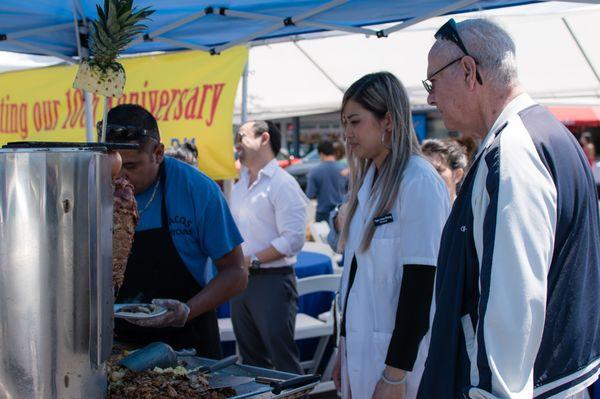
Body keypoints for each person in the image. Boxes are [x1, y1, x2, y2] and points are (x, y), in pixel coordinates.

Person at [418, 18, 600, 398]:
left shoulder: (513, 149)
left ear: (469, 71)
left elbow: (512, 305)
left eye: (432, 83)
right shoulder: (548, 135)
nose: (431, 98)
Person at [331, 72, 450, 399]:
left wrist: (395, 375)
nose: (347, 134)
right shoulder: (369, 184)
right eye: (344, 123)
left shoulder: (418, 183)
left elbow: (421, 284)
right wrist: (343, 348)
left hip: (401, 367)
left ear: (388, 121)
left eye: (355, 122)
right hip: (364, 355)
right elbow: (352, 278)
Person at [105, 104, 247, 359]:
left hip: (188, 344)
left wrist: (186, 311)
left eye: (132, 167)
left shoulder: (197, 190)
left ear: (158, 153)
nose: (120, 178)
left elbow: (236, 272)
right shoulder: (93, 186)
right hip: (117, 344)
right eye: (114, 167)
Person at [230, 120, 308, 373]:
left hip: (272, 282)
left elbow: (294, 239)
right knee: (251, 363)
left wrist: (251, 260)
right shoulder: (240, 183)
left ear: (264, 138)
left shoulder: (282, 183)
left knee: (283, 364)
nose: (236, 143)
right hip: (243, 281)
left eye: (241, 136)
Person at [306, 140, 348, 222]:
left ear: (321, 154)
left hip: (322, 214)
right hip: (341, 213)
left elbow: (310, 194)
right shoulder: (345, 169)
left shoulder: (314, 171)